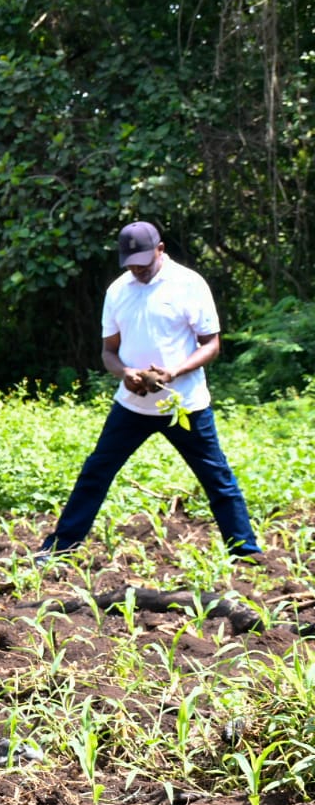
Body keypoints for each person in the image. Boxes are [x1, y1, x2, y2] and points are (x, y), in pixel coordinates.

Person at [37, 220, 262, 562]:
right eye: (131, 264)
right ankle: (60, 546)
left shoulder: (189, 284)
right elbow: (108, 352)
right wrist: (126, 373)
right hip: (132, 406)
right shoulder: (118, 291)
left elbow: (211, 345)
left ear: (160, 249)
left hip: (184, 405)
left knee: (217, 478)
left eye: (143, 262)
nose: (137, 270)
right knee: (96, 473)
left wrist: (173, 371)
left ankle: (245, 552)